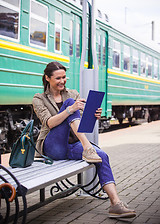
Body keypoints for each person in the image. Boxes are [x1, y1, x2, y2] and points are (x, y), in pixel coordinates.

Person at [32, 61, 136, 219]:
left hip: (73, 144)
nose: (62, 81)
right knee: (69, 104)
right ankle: (88, 148)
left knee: (102, 156)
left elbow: (80, 125)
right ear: (47, 78)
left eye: (64, 77)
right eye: (58, 78)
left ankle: (115, 204)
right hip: (52, 146)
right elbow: (49, 123)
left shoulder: (72, 93)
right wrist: (70, 109)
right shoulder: (39, 98)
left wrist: (93, 116)